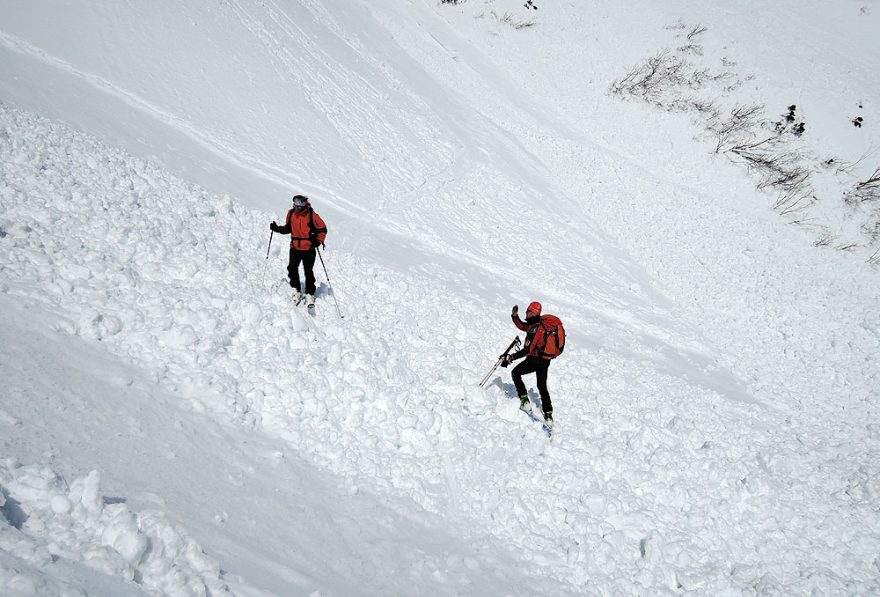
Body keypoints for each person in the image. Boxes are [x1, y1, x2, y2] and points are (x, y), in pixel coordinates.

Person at [502, 301, 564, 427]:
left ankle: (524, 400)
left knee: (515, 373)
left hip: (535, 360)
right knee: (542, 386)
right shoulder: (538, 324)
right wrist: (515, 317)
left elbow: (528, 350)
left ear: (532, 312)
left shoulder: (536, 328)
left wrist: (512, 357)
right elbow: (523, 326)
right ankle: (548, 413)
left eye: (527, 311)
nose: (526, 312)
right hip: (545, 361)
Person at [270, 195, 327, 306]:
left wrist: (318, 241)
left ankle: (310, 293)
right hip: (295, 247)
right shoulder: (291, 213)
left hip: (308, 248)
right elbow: (288, 228)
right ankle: (296, 289)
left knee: (308, 271)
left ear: (305, 203)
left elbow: (322, 229)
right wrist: (277, 228)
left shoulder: (312, 215)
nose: (298, 205)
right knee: (292, 268)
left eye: (301, 202)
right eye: (296, 202)